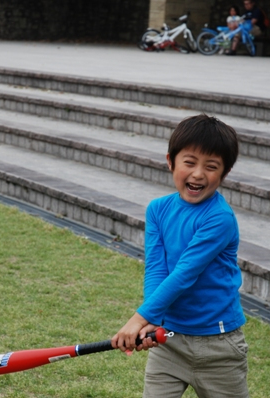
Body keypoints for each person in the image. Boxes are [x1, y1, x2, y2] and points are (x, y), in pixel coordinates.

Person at [111, 114, 248, 398]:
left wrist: (137, 320)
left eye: (211, 167)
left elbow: (185, 272)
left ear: (224, 173)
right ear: (171, 161)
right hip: (169, 342)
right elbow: (157, 269)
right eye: (189, 162)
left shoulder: (219, 218)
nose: (198, 174)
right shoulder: (158, 210)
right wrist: (153, 318)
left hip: (219, 346)